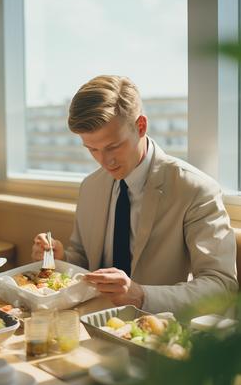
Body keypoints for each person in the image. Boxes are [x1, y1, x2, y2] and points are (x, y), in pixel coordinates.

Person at [32, 75, 238, 314]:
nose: (105, 161)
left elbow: (222, 287)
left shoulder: (195, 189)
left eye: (113, 146)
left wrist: (140, 295)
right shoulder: (90, 186)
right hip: (92, 322)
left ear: (141, 126)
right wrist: (59, 259)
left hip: (161, 330)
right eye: (92, 150)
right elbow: (83, 261)